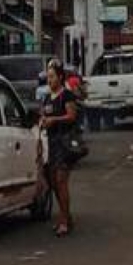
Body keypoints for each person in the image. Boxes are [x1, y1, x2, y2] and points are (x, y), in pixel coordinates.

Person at [40, 58, 79, 237]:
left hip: (64, 144)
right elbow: (43, 117)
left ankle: (64, 221)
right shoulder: (47, 98)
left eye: (53, 77)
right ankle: (66, 216)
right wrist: (43, 122)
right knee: (53, 183)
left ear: (60, 77)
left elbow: (71, 116)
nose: (50, 80)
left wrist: (55, 119)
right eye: (48, 77)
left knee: (61, 181)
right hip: (51, 144)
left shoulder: (67, 96)